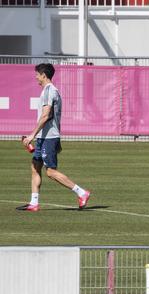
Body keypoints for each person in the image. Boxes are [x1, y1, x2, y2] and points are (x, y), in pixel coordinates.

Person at [17, 63, 90, 212]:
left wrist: (32, 135)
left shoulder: (50, 91)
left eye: (37, 74)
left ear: (44, 75)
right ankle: (33, 203)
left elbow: (46, 115)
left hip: (48, 138)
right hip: (45, 137)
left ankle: (82, 192)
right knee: (35, 166)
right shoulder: (48, 90)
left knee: (50, 171)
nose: (36, 77)